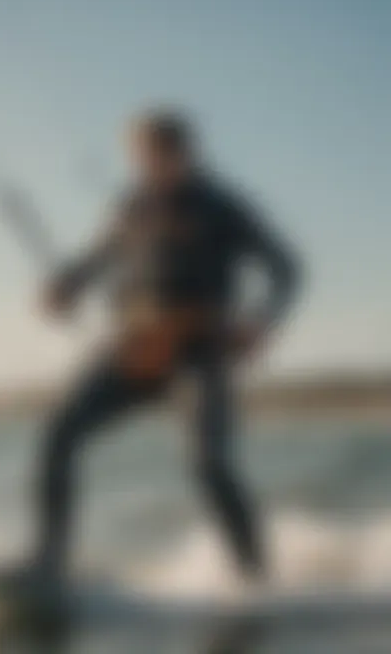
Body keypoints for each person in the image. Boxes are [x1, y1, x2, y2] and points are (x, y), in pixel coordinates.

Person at [16, 108, 302, 587]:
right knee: (59, 432)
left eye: (158, 155)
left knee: (208, 462)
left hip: (199, 352)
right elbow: (92, 262)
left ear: (185, 153)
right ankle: (47, 563)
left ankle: (253, 579)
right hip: (134, 351)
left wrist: (261, 321)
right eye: (140, 157)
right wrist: (62, 289)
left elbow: (287, 269)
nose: (148, 166)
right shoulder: (129, 208)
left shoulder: (223, 207)